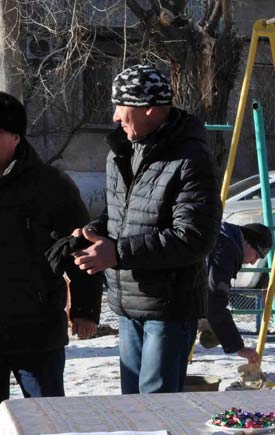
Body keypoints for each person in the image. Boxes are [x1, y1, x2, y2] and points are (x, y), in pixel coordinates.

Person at [73, 64, 221, 394]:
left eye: (120, 107)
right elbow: (120, 216)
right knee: (132, 407)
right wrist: (89, 233)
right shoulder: (121, 152)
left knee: (156, 408)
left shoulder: (190, 158)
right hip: (127, 303)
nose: (114, 117)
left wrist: (118, 252)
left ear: (149, 110)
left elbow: (195, 238)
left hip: (168, 308)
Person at [0, 92, 102, 402]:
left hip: (36, 329)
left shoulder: (51, 186)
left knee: (46, 421)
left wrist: (84, 310)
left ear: (15, 137)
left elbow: (81, 246)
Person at [203, 222, 272, 365]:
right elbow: (215, 299)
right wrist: (239, 348)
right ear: (247, 243)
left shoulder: (221, 240)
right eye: (256, 255)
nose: (253, 263)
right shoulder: (225, 251)